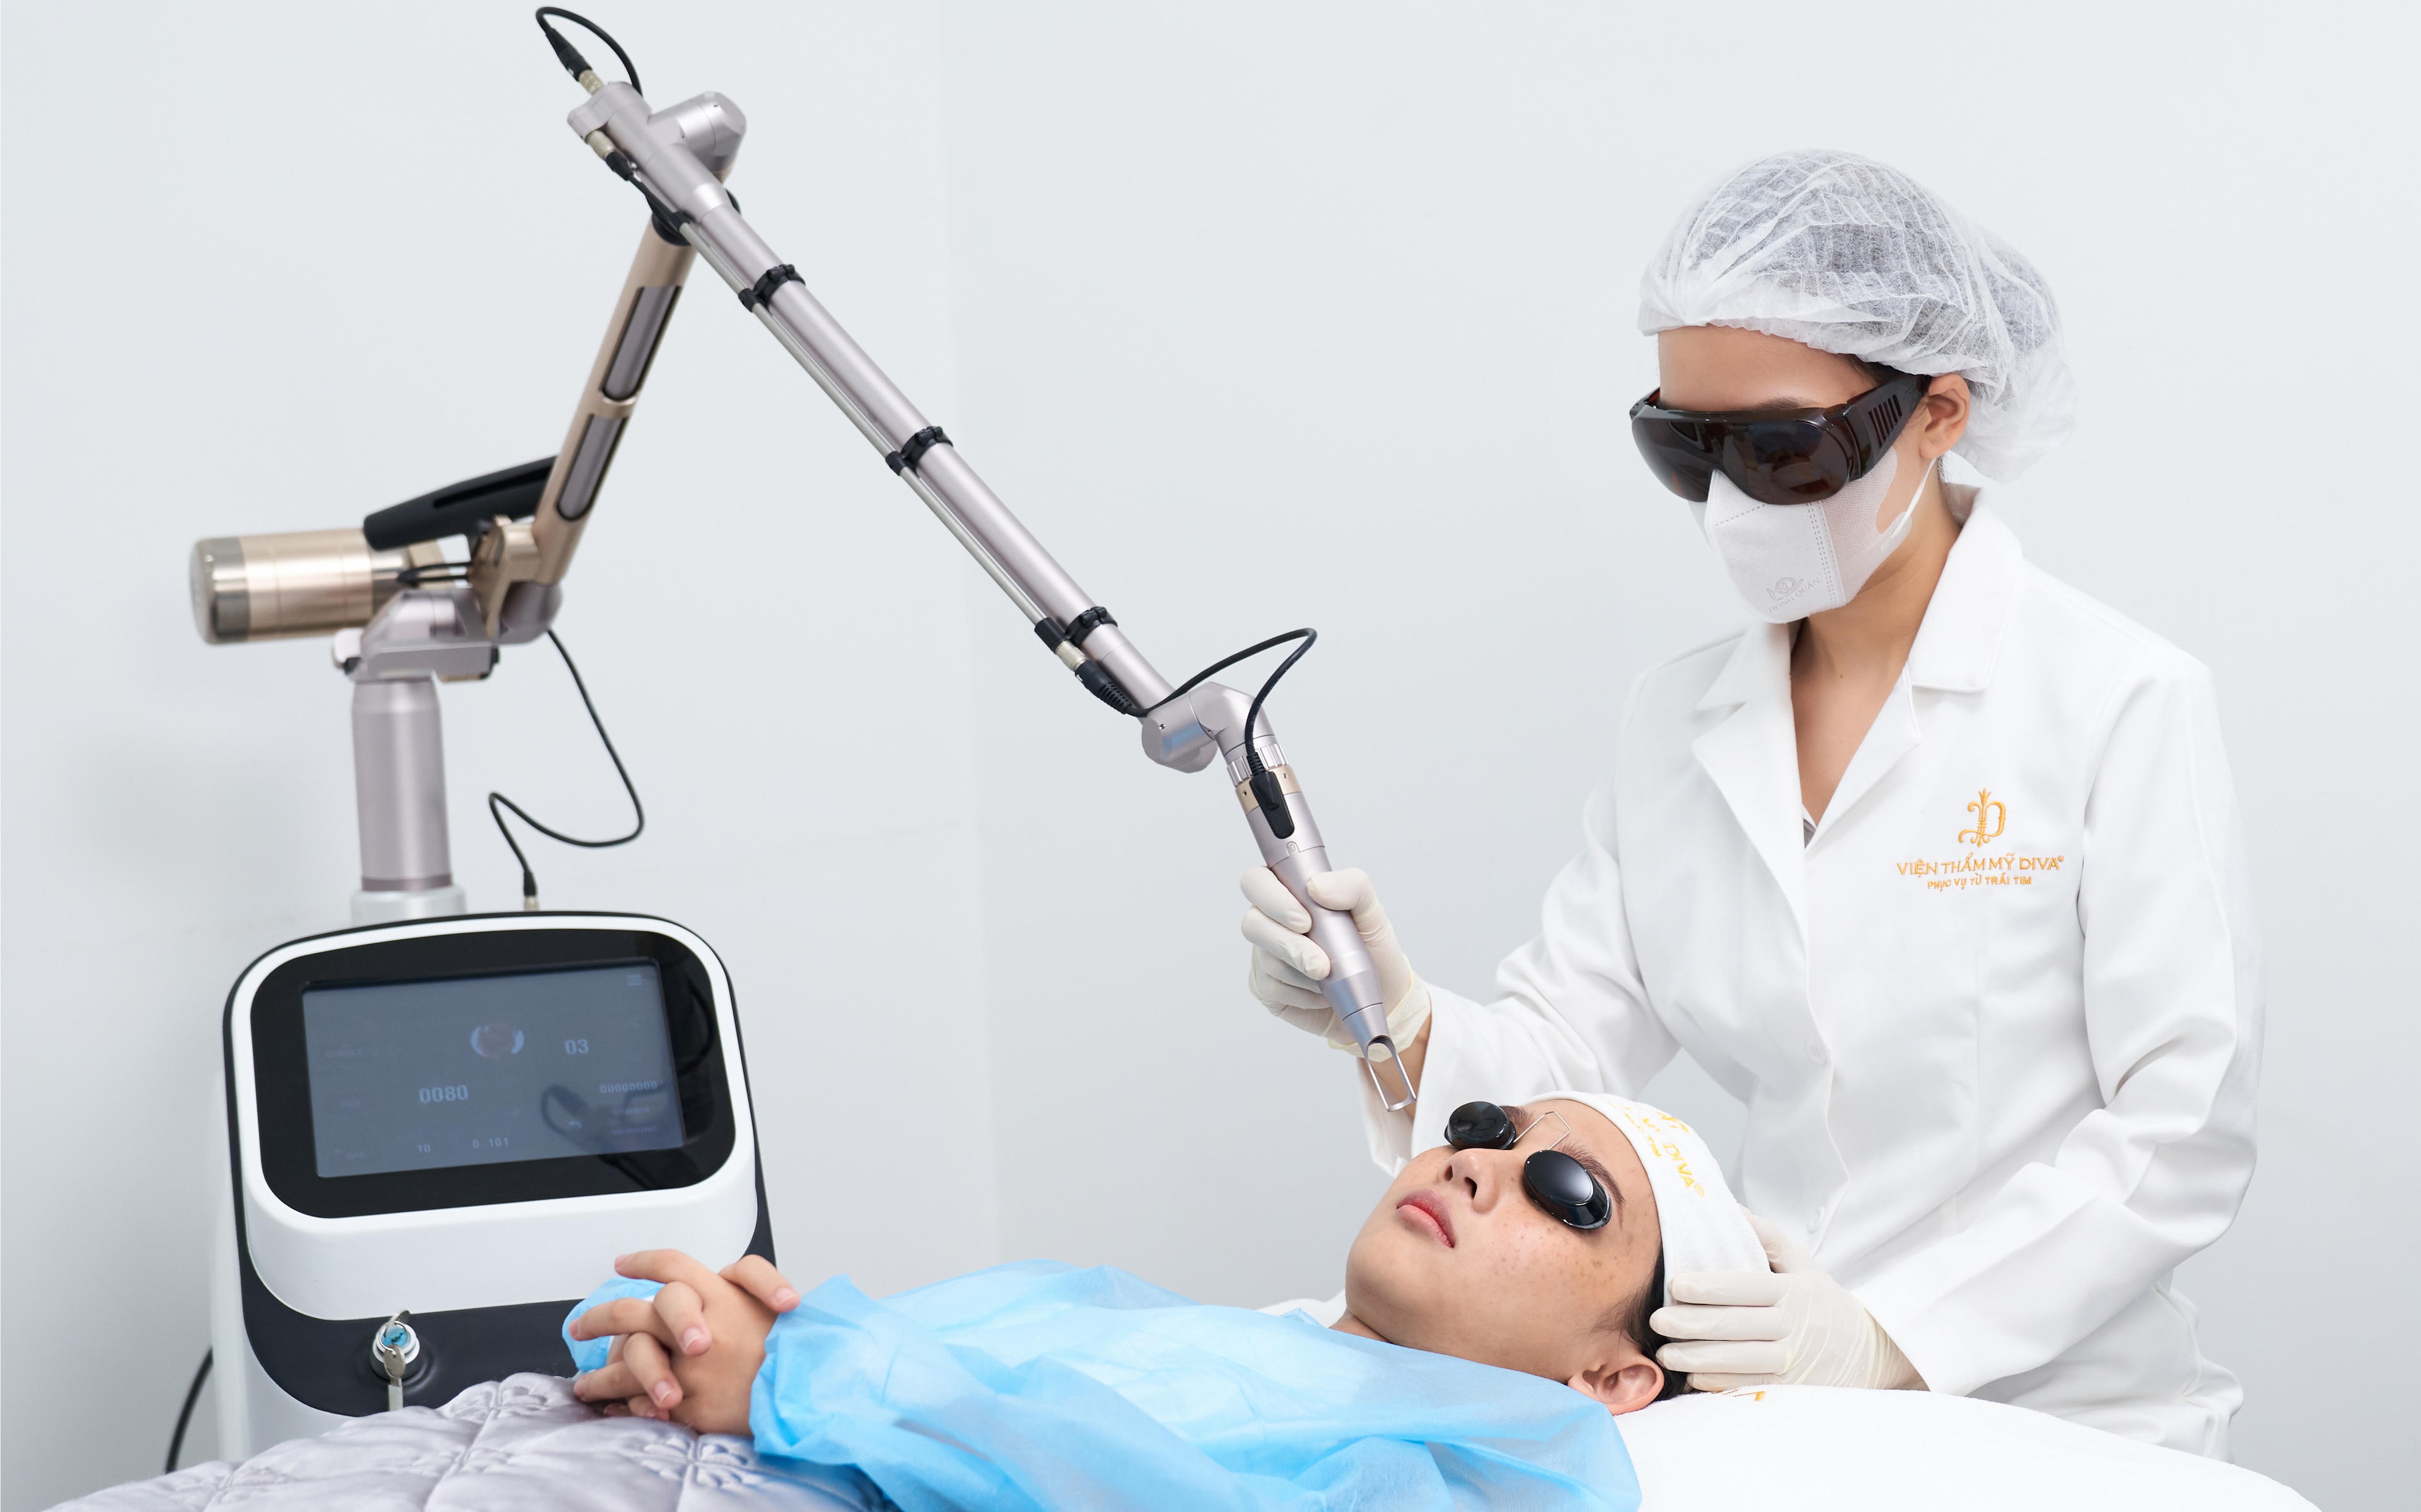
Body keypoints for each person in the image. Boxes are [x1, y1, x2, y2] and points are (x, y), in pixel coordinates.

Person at [1240, 149, 2261, 1456]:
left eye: (1782, 448)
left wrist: (1890, 1334)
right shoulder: (1676, 720)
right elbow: (1568, 1065)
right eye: (1687, 447)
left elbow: (2184, 1124)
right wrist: (1398, 1018)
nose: (1730, 501)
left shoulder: (2116, 700)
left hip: (2064, 1417)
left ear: (1939, 412)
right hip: (1772, 1408)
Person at [562, 1094, 1769, 1508]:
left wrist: (798, 1373)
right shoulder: (1134, 1314)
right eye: (1485, 1126)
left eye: (1569, 1193)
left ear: (1613, 1377)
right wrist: (695, 1329)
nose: (1475, 1166)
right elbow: (806, 1349)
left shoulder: (1482, 1469)